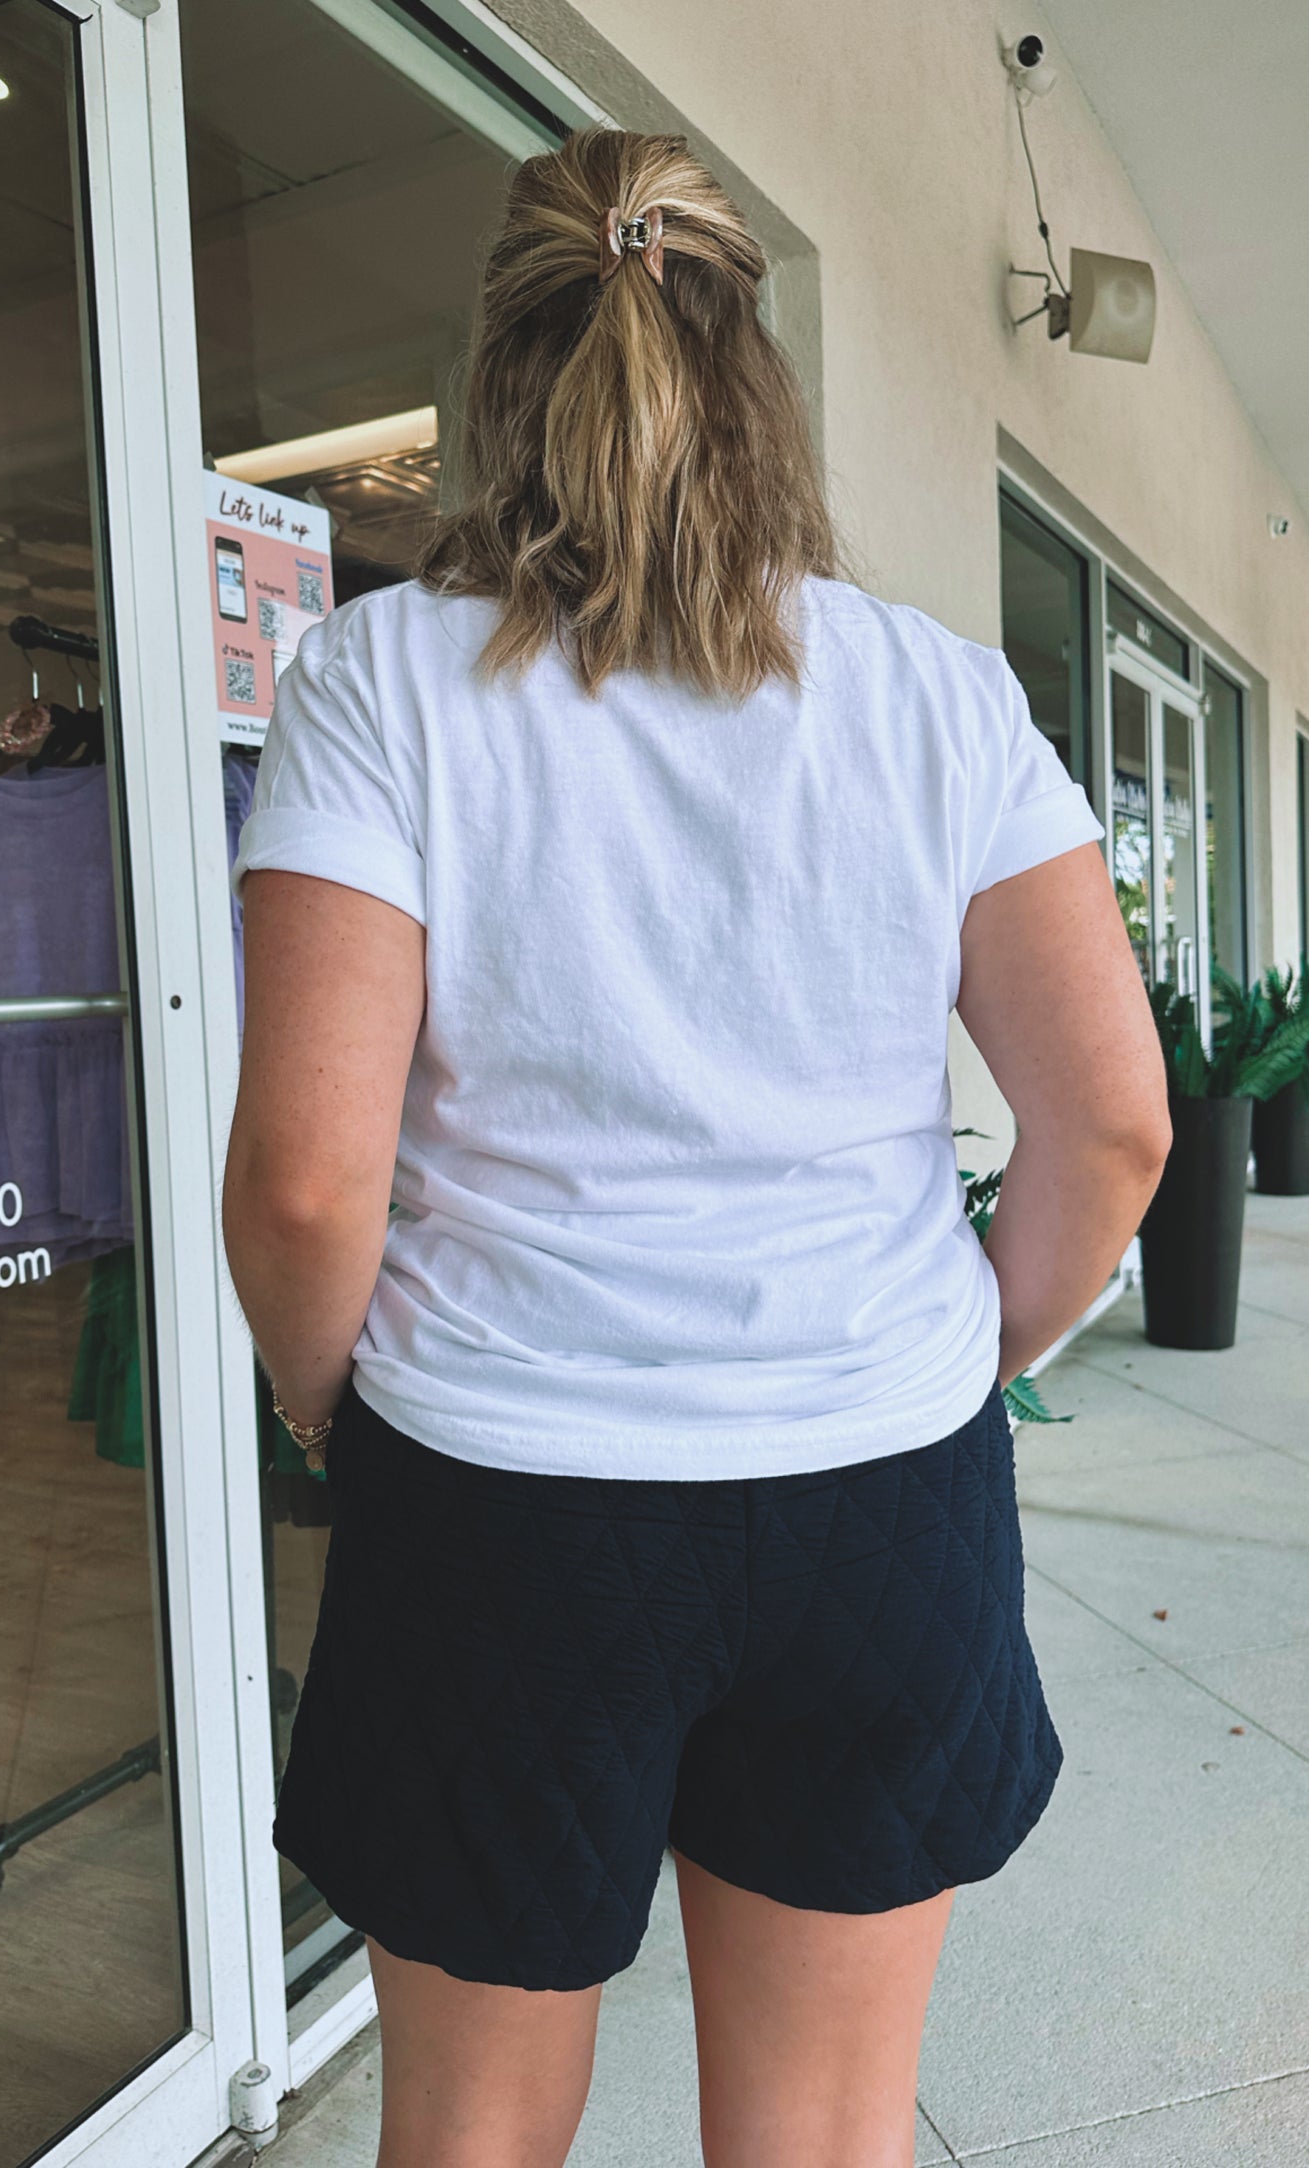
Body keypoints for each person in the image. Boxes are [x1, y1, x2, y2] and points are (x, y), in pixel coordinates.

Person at [222, 125, 1170, 2168]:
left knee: (473, 2133)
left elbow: (309, 1180)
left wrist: (330, 1401)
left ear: (502, 378)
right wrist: (978, 1350)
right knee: (822, 2137)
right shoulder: (937, 694)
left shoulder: (379, 686)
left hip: (499, 1501)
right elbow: (1113, 1117)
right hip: (877, 1487)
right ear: (760, 363)